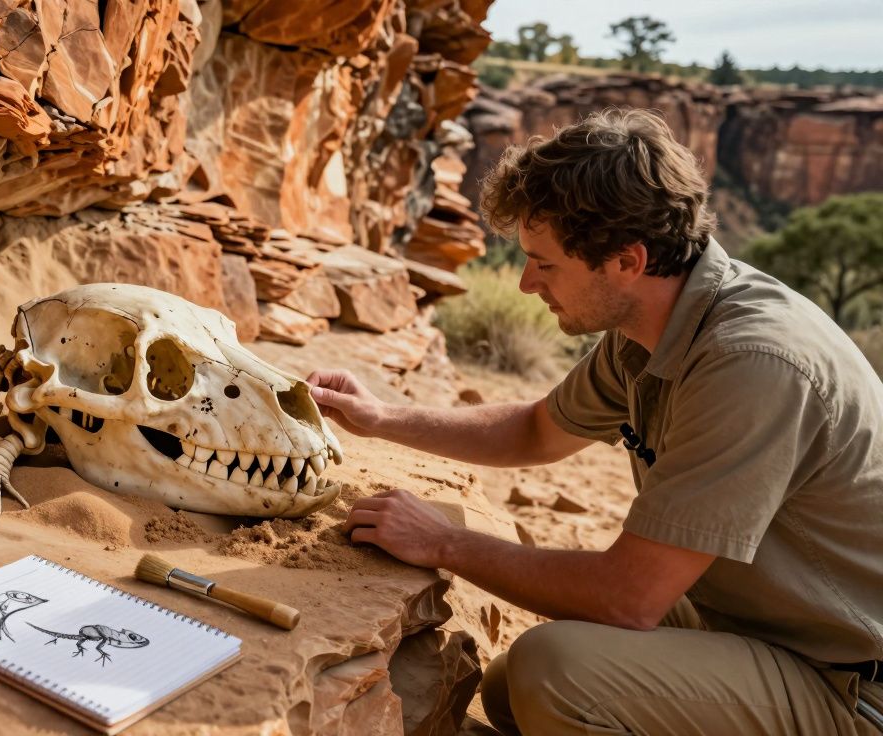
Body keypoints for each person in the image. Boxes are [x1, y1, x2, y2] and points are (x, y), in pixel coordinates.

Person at [307, 108, 883, 735]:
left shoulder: (752, 363)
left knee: (554, 674)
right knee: (507, 693)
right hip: (759, 623)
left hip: (847, 680)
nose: (527, 283)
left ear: (626, 260)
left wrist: (444, 543)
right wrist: (381, 416)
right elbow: (535, 431)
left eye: (545, 263)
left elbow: (630, 598)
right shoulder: (651, 325)